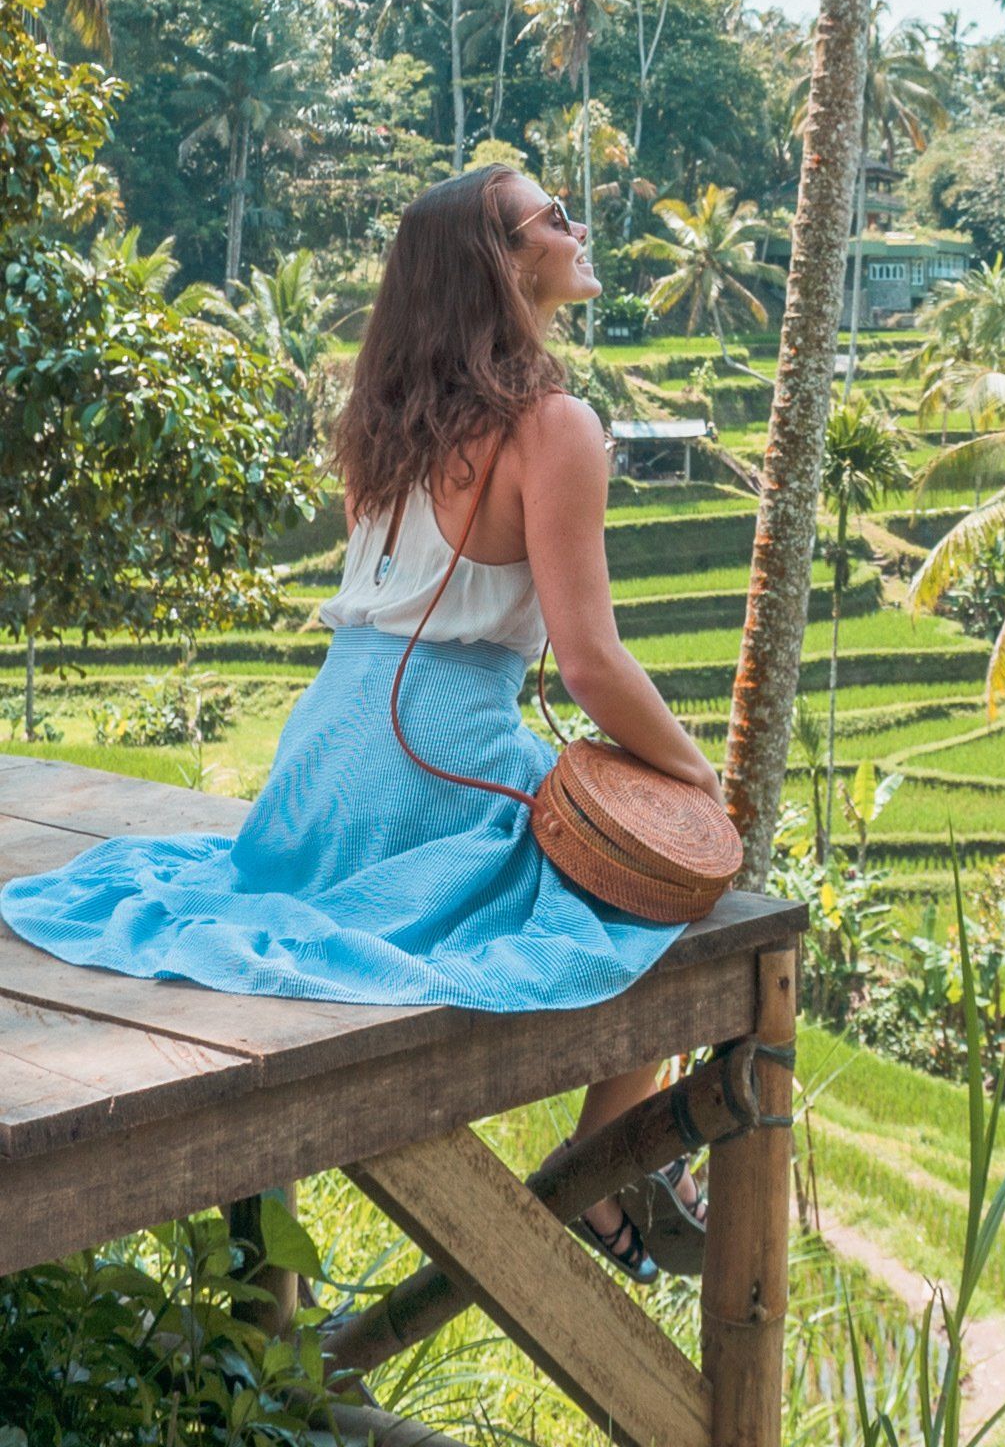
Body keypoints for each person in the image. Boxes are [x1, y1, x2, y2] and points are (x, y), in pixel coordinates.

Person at [0, 165, 721, 1281]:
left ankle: (614, 1171)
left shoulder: (382, 422)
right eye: (554, 216)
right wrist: (699, 780)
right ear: (503, 260)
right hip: (437, 753)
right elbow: (589, 661)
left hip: (325, 749)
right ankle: (603, 1155)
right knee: (659, 877)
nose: (578, 226)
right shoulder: (556, 425)